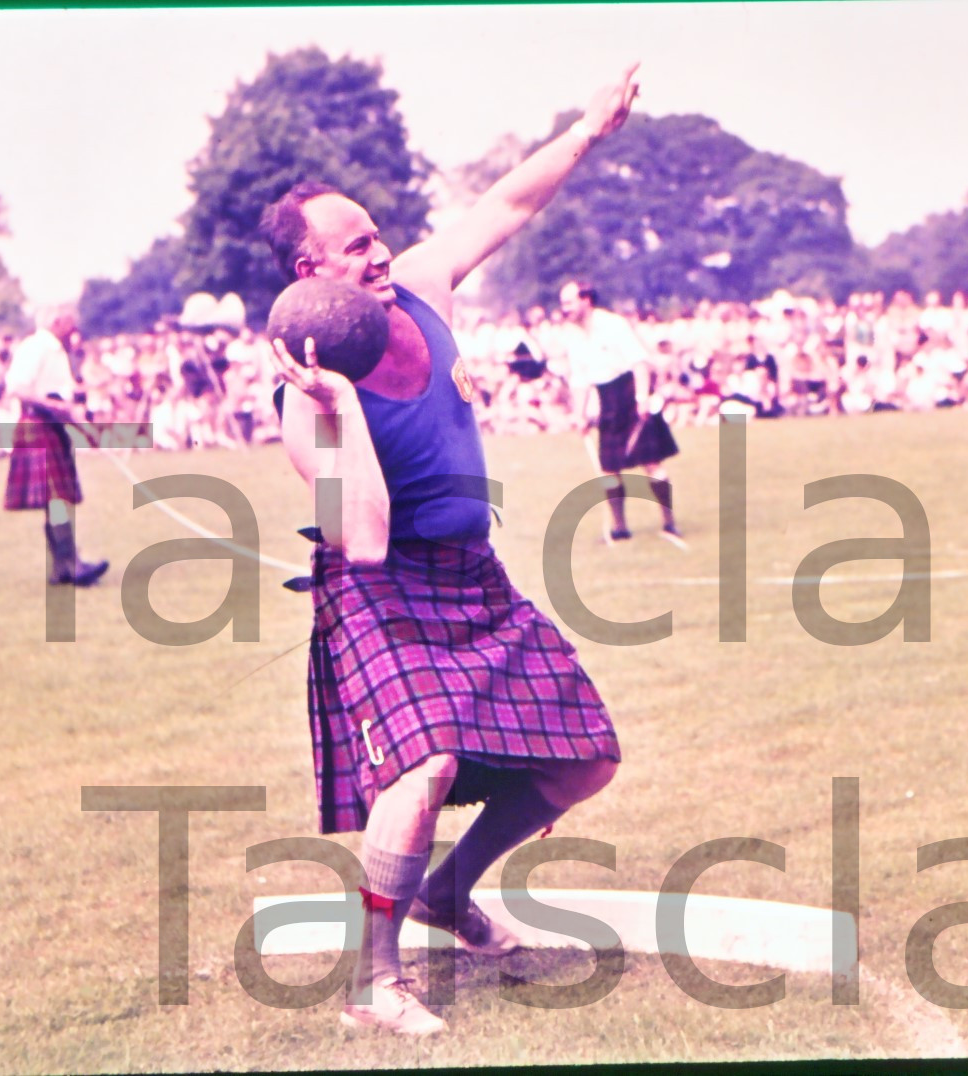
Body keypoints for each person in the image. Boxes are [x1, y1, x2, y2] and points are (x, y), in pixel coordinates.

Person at [260, 64, 639, 1038]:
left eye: (377, 233)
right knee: (422, 766)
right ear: (313, 272)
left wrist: (586, 130)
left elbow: (506, 202)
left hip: (476, 578)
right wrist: (342, 410)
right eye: (356, 245)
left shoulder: (422, 287)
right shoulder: (302, 408)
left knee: (585, 758)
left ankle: (447, 889)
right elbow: (371, 537)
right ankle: (373, 981)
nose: (381, 250)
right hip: (382, 591)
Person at [558, 280, 683, 544]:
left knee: (653, 464)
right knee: (608, 469)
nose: (564, 309)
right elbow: (580, 379)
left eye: (568, 302)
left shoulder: (612, 324)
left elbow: (638, 361)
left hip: (630, 392)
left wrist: (642, 398)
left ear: (585, 300)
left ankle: (669, 522)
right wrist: (579, 414)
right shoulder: (571, 334)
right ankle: (619, 527)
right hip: (607, 400)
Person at [2, 310, 108, 586]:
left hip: (52, 425)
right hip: (38, 424)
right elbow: (17, 388)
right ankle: (70, 563)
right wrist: (57, 407)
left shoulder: (56, 350)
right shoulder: (37, 347)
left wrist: (76, 419)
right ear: (56, 322)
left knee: (56, 501)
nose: (75, 325)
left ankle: (62, 567)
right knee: (57, 500)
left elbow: (61, 395)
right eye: (70, 320)